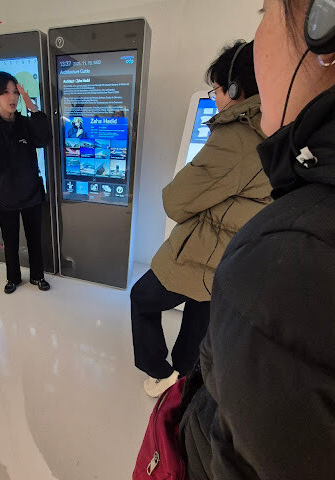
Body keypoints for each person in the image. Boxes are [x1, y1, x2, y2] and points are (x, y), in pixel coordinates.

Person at [179, 1, 335, 478]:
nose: (258, 37)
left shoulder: (284, 261)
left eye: (265, 11)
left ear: (322, 25)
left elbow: (174, 198)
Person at [131, 41, 273, 398]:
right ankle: (183, 377)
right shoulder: (273, 128)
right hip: (232, 252)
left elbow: (175, 201)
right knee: (199, 315)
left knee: (142, 297)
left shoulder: (237, 136)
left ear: (236, 90)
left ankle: (160, 371)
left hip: (203, 251)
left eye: (218, 89)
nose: (216, 98)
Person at [0, 72, 51, 294]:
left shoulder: (25, 123)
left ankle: (38, 276)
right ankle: (13, 277)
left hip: (32, 193)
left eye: (15, 92)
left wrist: (32, 107)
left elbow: (44, 139)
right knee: (10, 241)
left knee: (35, 238)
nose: (12, 97)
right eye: (6, 92)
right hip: (6, 195)